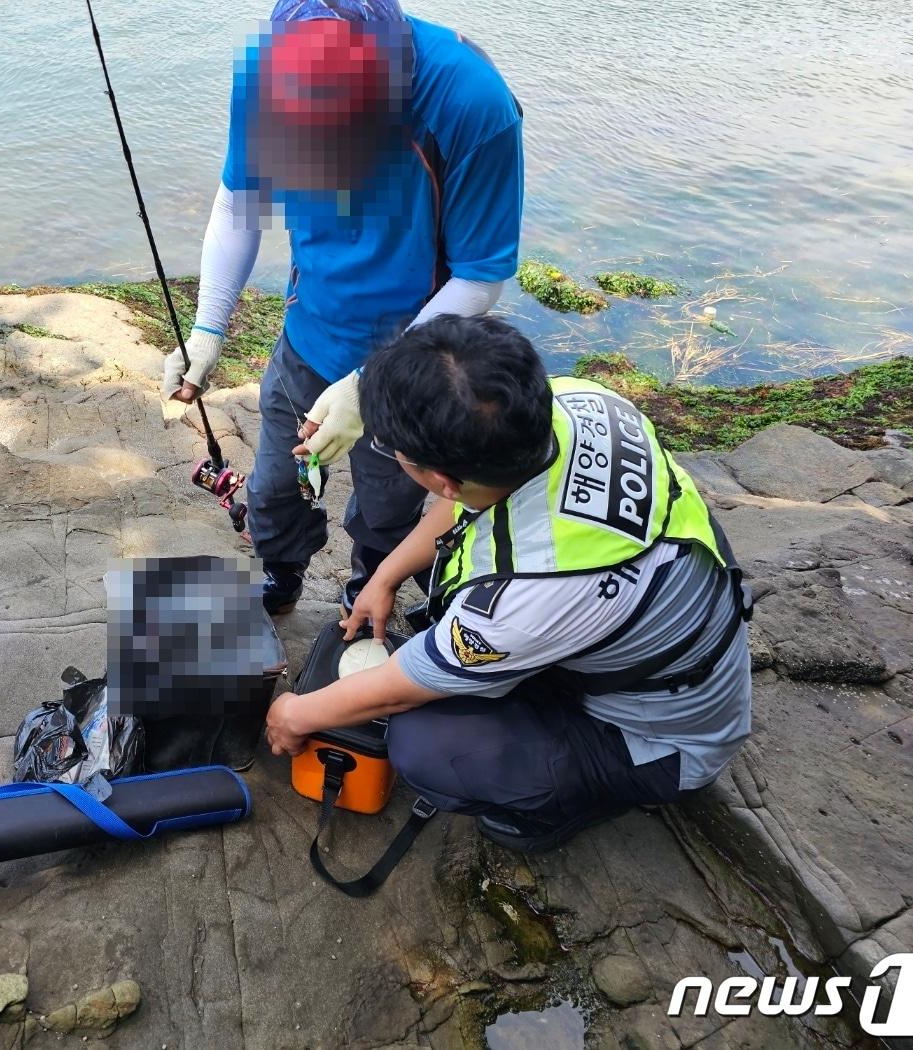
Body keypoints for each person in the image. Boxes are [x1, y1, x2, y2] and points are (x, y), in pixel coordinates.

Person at [263, 316, 753, 852]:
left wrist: (295, 714)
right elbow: (464, 498)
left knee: (425, 744)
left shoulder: (525, 602)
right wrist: (387, 574)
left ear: (440, 477)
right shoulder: (578, 402)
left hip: (658, 739)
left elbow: (406, 686)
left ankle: (549, 812)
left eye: (396, 453)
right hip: (647, 644)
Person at [161, 0, 524, 615]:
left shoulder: (472, 102)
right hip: (310, 329)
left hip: (416, 358)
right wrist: (207, 329)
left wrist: (374, 381)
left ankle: (368, 588)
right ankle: (280, 570)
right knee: (275, 485)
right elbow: (237, 205)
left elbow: (480, 278)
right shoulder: (264, 80)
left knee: (387, 502)